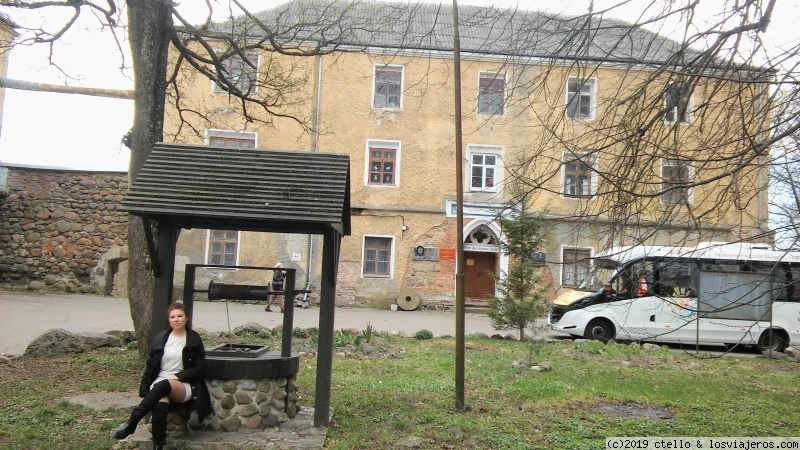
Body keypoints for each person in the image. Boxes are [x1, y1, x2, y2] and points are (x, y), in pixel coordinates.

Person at [112, 303, 212, 449]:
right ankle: (159, 444)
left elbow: (200, 368)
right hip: (161, 381)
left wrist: (178, 376)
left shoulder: (193, 339)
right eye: (172, 317)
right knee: (159, 400)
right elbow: (150, 366)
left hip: (184, 383)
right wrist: (145, 389)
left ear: (186, 318)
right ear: (169, 319)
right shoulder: (161, 339)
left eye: (180, 316)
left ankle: (132, 422)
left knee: (164, 385)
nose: (176, 320)